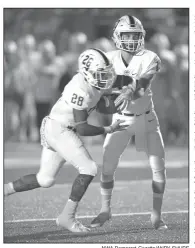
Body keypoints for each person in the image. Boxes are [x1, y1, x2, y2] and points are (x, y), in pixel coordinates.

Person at [4, 48, 125, 233]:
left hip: (56, 127)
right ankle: (66, 217)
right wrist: (107, 129)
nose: (106, 78)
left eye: (107, 73)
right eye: (102, 74)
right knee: (89, 168)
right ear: (87, 73)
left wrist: (120, 98)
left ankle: (4, 190)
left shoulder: (92, 82)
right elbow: (82, 127)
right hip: (59, 130)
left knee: (44, 179)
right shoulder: (80, 89)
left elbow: (100, 100)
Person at [90, 15, 168, 230]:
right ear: (117, 36)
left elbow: (142, 86)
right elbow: (95, 87)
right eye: (127, 35)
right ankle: (105, 211)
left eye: (135, 35)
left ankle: (156, 215)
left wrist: (128, 89)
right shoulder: (107, 59)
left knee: (158, 167)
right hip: (121, 120)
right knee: (107, 167)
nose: (132, 39)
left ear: (141, 36)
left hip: (147, 118)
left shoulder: (151, 57)